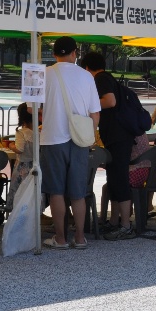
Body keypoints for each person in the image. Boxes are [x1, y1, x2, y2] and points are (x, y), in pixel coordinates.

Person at [38, 37, 102, 250]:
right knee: (78, 192)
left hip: (52, 139)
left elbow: (31, 108)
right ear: (75, 53)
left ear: (54, 53)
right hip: (79, 140)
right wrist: (88, 135)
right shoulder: (86, 76)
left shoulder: (43, 74)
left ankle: (61, 238)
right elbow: (95, 113)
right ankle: (81, 238)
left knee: (56, 191)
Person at [80, 51, 136, 240]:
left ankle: (126, 225)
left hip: (118, 137)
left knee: (119, 179)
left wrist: (90, 105)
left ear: (87, 68)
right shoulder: (108, 77)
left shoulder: (101, 78)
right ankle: (114, 222)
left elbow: (110, 101)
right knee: (113, 179)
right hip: (117, 137)